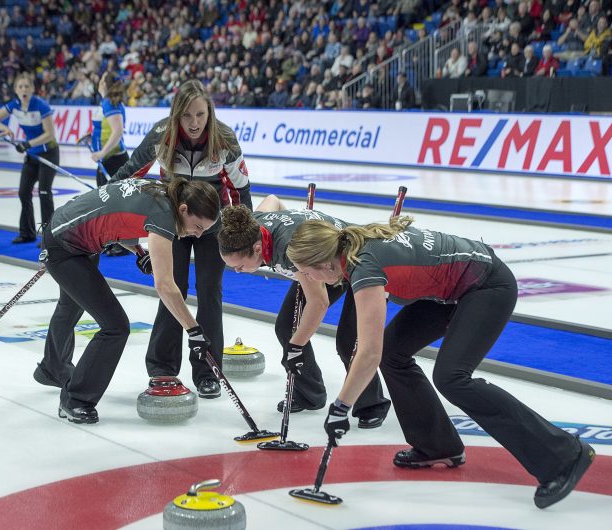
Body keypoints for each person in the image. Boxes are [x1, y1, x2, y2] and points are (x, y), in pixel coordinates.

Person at [286, 217, 596, 509]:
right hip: (449, 290)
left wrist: (341, 406)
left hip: (486, 285)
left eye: (307, 272)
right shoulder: (351, 252)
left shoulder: (362, 266)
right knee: (395, 351)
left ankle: (563, 454)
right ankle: (438, 446)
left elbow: (368, 352)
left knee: (453, 377)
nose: (308, 280)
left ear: (325, 264)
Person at [36, 177, 221, 423]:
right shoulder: (165, 214)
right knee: (115, 326)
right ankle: (75, 400)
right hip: (64, 247)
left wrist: (139, 251)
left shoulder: (162, 193)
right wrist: (194, 331)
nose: (197, 235)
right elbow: (166, 286)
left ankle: (52, 367)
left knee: (71, 305)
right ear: (184, 210)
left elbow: (117, 216)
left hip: (73, 237)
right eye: (198, 227)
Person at [111, 79, 252, 399]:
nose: (193, 123)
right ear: (176, 114)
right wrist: (102, 204)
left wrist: (244, 235)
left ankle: (209, 370)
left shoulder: (225, 138)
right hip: (171, 221)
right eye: (187, 115)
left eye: (200, 115)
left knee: (209, 291)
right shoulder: (162, 135)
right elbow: (129, 173)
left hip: (211, 224)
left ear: (210, 113)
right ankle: (162, 367)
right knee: (173, 288)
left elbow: (241, 190)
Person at [217, 198, 391, 426]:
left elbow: (319, 302)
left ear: (257, 248)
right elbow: (273, 200)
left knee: (350, 340)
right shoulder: (252, 224)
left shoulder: (290, 251)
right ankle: (310, 394)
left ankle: (372, 403)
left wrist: (295, 347)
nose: (238, 272)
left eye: (239, 266)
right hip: (318, 263)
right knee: (287, 327)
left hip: (356, 261)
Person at [0, 72, 59, 244]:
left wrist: (27, 144)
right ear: (16, 90)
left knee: (44, 192)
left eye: (27, 86)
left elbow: (50, 134)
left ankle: (49, 238)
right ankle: (27, 233)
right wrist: (4, 128)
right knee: (23, 192)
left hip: (48, 153)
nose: (24, 89)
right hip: (32, 155)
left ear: (33, 89)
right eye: (20, 87)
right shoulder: (15, 105)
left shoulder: (40, 106)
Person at [90, 71, 131, 257]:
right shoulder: (105, 103)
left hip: (113, 160)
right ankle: (111, 239)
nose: (98, 83)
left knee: (114, 203)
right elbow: (104, 128)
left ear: (104, 85)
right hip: (107, 160)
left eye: (100, 80)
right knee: (105, 203)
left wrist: (102, 152)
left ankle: (121, 243)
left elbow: (117, 131)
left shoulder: (110, 103)